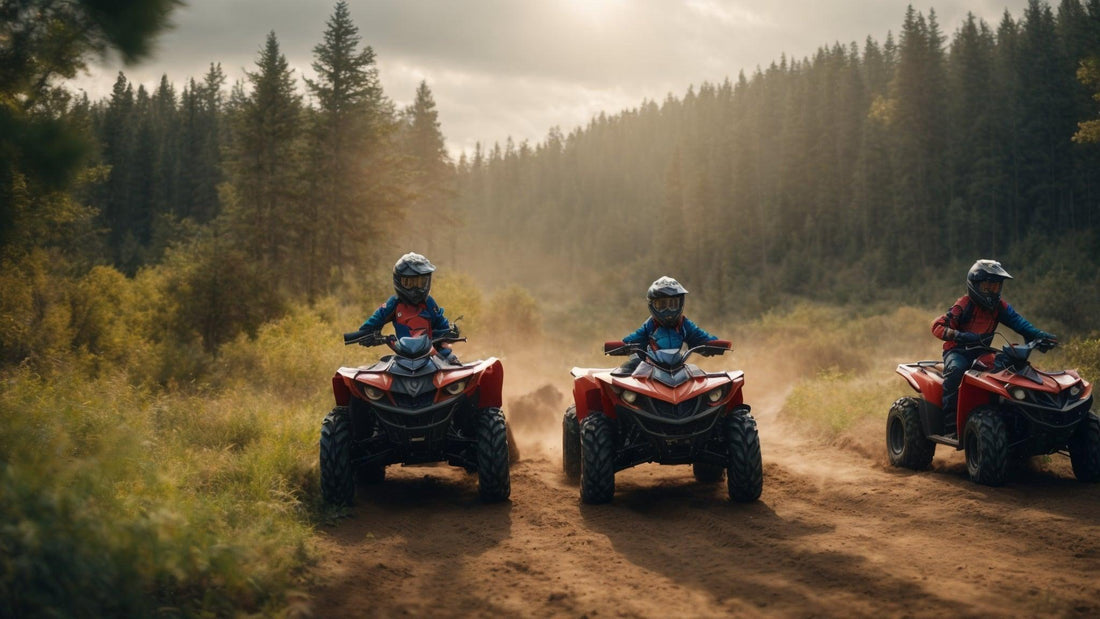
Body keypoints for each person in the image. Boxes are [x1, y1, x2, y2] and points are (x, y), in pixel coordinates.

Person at [931, 259, 1056, 434]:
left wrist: (1039, 335)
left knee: (1010, 369)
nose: (992, 291)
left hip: (982, 352)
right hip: (957, 351)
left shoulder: (999, 306)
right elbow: (937, 327)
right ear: (974, 285)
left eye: (996, 287)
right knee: (955, 370)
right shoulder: (964, 304)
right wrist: (959, 335)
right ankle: (950, 423)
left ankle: (1010, 418)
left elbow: (1019, 322)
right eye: (987, 286)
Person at [358, 252, 459, 362]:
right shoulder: (393, 304)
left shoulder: (429, 303)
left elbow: (442, 325)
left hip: (431, 354)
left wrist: (451, 331)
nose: (416, 288)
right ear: (398, 281)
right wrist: (367, 336)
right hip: (403, 357)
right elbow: (370, 325)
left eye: (421, 283)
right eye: (409, 283)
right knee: (378, 370)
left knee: (453, 363)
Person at [617, 276, 718, 373]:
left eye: (673, 304)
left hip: (679, 370)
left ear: (681, 304)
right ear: (652, 306)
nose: (668, 310)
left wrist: (715, 344)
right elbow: (631, 340)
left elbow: (701, 337)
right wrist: (622, 346)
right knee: (624, 371)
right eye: (662, 305)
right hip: (650, 371)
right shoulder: (650, 325)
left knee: (700, 378)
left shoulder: (684, 324)